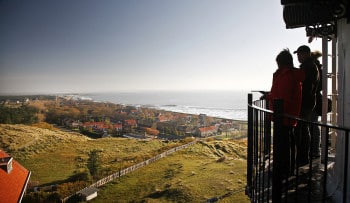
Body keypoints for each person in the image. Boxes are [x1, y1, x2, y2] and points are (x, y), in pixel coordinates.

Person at [264, 49, 305, 176]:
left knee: (283, 145)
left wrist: (269, 97)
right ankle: (285, 169)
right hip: (287, 116)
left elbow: (282, 98)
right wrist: (269, 95)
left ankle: (282, 172)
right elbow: (280, 94)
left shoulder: (286, 76)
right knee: (286, 144)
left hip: (283, 116)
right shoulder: (289, 75)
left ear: (281, 63)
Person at [293, 45, 320, 166]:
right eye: (297, 54)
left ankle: (303, 157)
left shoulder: (308, 67)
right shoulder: (310, 66)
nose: (298, 56)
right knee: (305, 128)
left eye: (300, 54)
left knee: (303, 129)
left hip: (305, 102)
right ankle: (305, 155)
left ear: (306, 54)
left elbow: (306, 86)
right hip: (308, 102)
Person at [310, 50, 322, 158]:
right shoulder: (318, 68)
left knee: (313, 126)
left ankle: (314, 150)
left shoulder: (313, 68)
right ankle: (315, 149)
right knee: (314, 125)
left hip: (312, 101)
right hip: (315, 100)